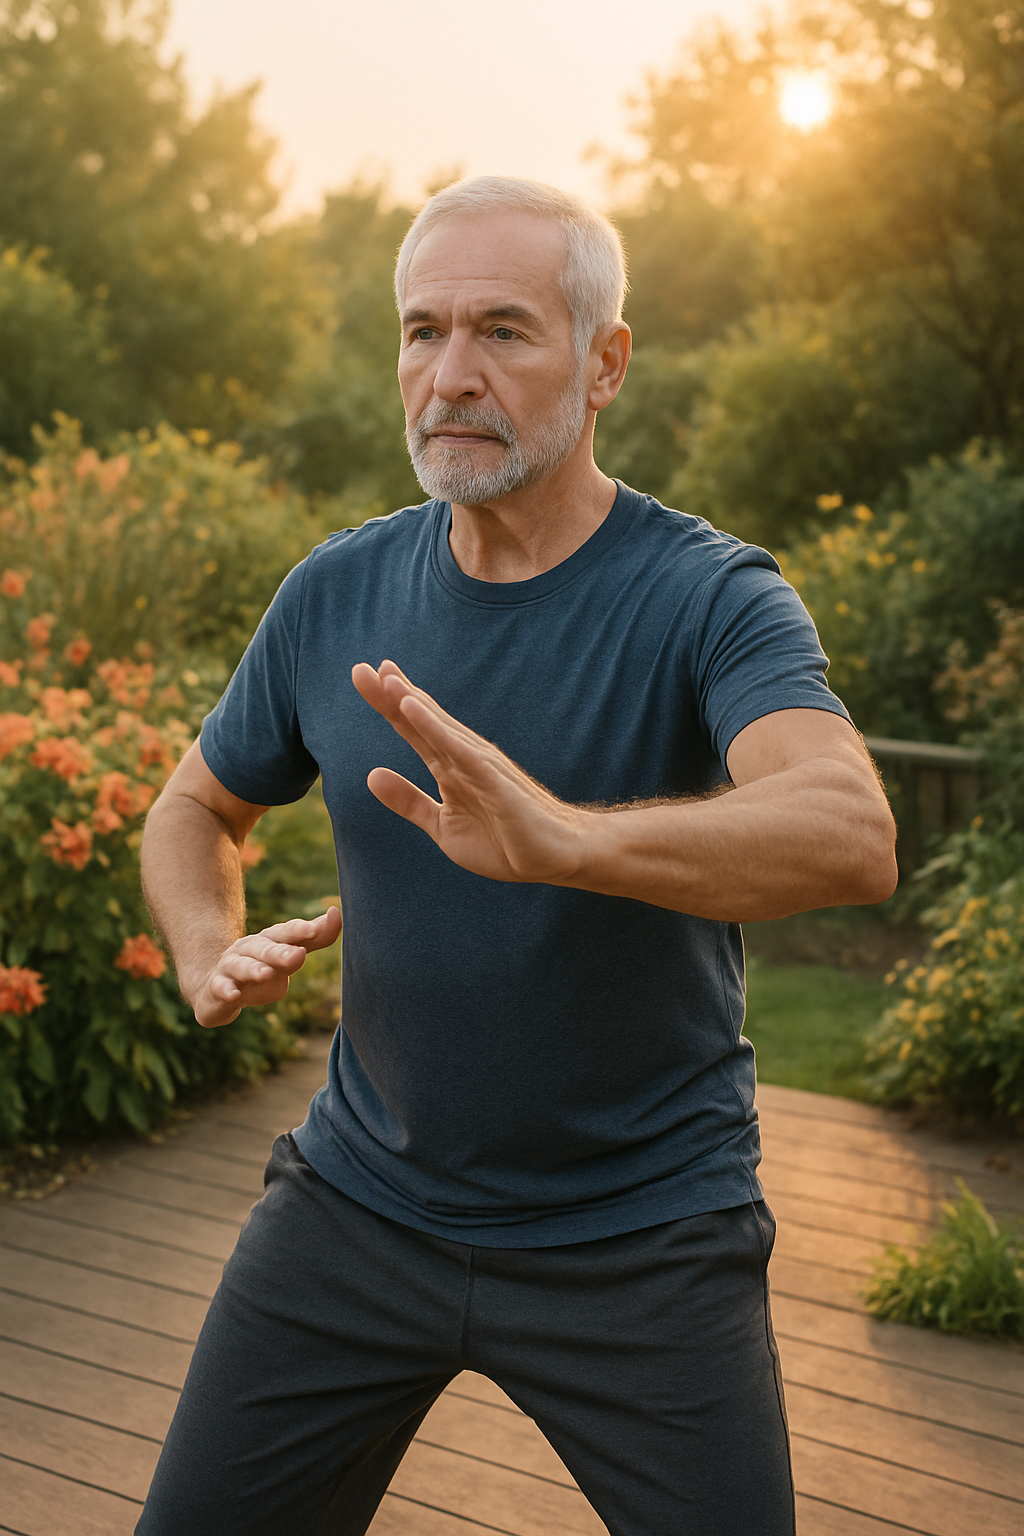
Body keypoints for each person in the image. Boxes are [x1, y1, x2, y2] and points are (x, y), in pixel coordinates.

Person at [136, 176, 897, 1536]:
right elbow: (195, 809)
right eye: (422, 331)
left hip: (643, 1238)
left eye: (502, 330)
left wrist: (569, 841)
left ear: (604, 364)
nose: (452, 376)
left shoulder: (710, 596)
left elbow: (850, 831)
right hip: (356, 1211)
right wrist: (206, 946)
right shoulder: (334, 591)